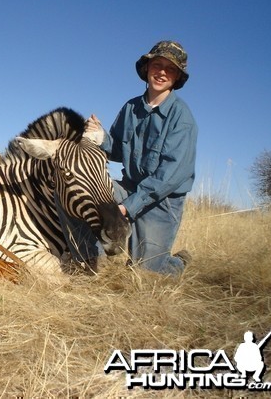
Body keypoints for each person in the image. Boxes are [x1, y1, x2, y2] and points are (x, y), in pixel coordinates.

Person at [73, 40, 198, 276]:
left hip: (161, 202)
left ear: (177, 77)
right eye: (157, 65)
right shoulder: (130, 107)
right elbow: (119, 150)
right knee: (83, 188)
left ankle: (178, 263)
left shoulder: (182, 117)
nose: (161, 72)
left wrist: (126, 208)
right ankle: (89, 258)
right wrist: (101, 138)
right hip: (128, 188)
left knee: (146, 275)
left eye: (170, 68)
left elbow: (168, 177)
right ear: (147, 68)